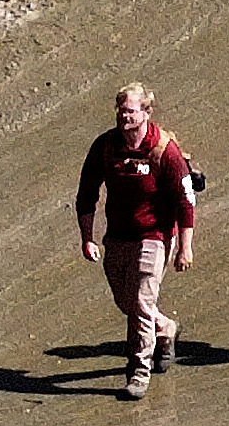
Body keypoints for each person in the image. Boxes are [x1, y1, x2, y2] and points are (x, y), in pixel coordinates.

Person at [68, 84, 201, 397]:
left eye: (130, 111)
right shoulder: (105, 147)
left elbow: (186, 201)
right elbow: (86, 194)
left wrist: (186, 246)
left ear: (146, 113)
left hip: (155, 235)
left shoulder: (163, 151)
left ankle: (138, 371)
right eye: (121, 110)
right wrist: (87, 238)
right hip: (117, 236)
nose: (124, 116)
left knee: (141, 303)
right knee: (127, 302)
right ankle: (165, 328)